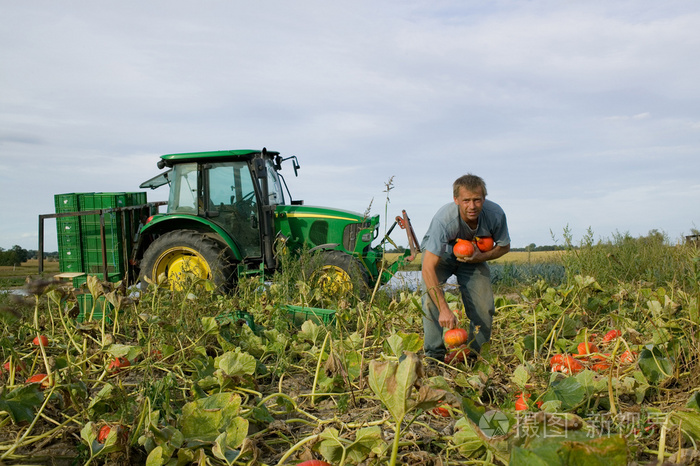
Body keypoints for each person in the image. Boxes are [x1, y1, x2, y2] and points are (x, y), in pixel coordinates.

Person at [421, 174, 510, 362]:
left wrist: (481, 256)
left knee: (484, 306)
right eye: (466, 200)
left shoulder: (495, 215)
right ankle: (434, 357)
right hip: (442, 257)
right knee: (430, 299)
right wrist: (444, 308)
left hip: (473, 257)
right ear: (456, 200)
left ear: (484, 199)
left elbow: (504, 246)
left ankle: (475, 356)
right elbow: (428, 267)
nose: (472, 206)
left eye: (477, 200)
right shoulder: (443, 220)